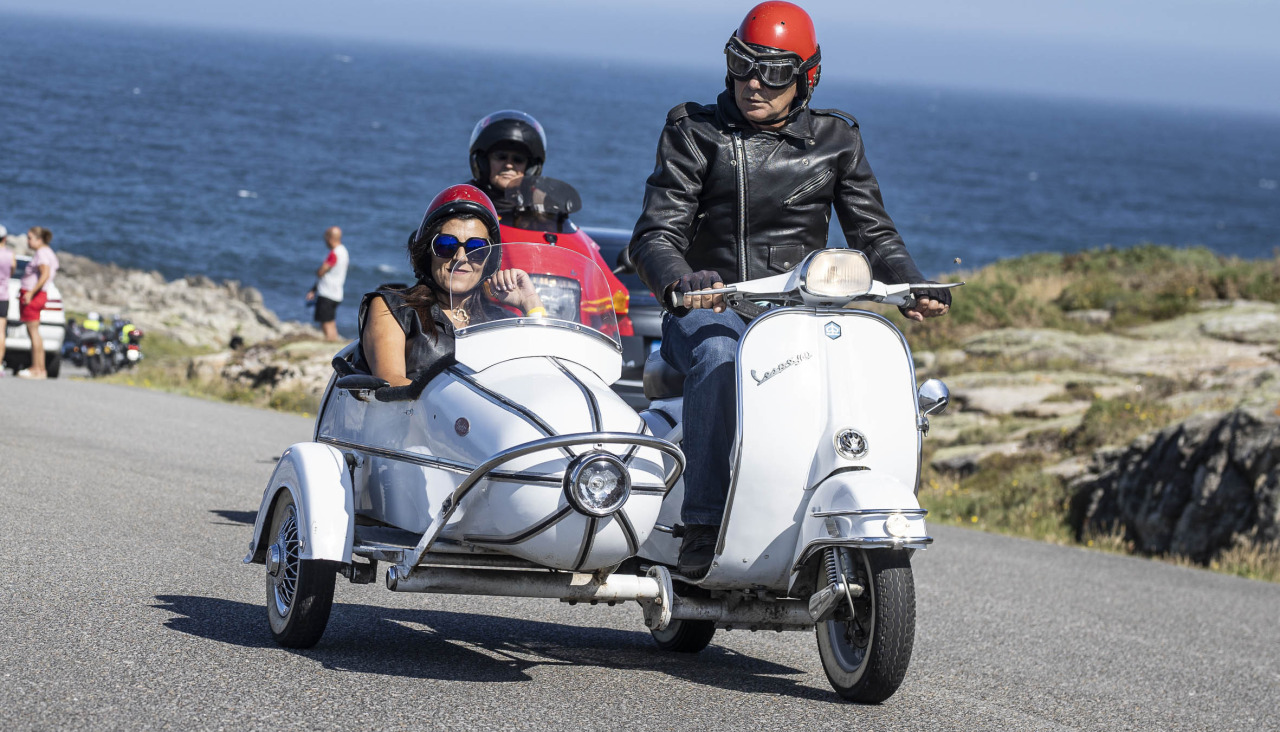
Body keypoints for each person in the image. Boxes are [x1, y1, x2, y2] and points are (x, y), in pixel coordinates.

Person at [628, 1, 952, 578]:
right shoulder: (695, 133)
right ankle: (702, 523)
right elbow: (656, 234)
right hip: (711, 309)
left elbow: (873, 232)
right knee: (720, 354)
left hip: (798, 312)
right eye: (741, 65)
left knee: (857, 363)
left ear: (806, 78)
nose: (753, 83)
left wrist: (912, 281)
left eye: (773, 72)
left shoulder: (837, 139)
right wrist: (683, 279)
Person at [356, 184, 544, 389]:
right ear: (428, 251)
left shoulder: (500, 322)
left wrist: (530, 303)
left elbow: (543, 376)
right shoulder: (393, 308)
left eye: (476, 248)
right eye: (446, 245)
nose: (461, 257)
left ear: (489, 259)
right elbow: (391, 383)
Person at [467, 110, 547, 213]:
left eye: (518, 160)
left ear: (530, 167)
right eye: (501, 157)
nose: (509, 165)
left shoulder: (544, 207)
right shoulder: (465, 200)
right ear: (484, 162)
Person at [17, 226, 59, 379]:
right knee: (35, 332)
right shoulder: (48, 252)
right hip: (39, 294)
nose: (28, 241)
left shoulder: (41, 253)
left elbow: (45, 274)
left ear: (39, 239)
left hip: (34, 295)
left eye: (30, 238)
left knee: (33, 332)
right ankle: (40, 368)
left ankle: (36, 368)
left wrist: (31, 292)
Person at [306, 226, 349, 342]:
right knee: (331, 322)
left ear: (330, 238)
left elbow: (322, 271)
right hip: (337, 292)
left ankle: (330, 342)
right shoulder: (344, 251)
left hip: (327, 293)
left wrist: (318, 272)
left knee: (325, 323)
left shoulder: (334, 254)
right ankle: (334, 342)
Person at [0, 228, 13, 375]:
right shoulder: (10, 255)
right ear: (5, 238)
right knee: (1, 331)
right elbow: (12, 270)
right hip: (3, 296)